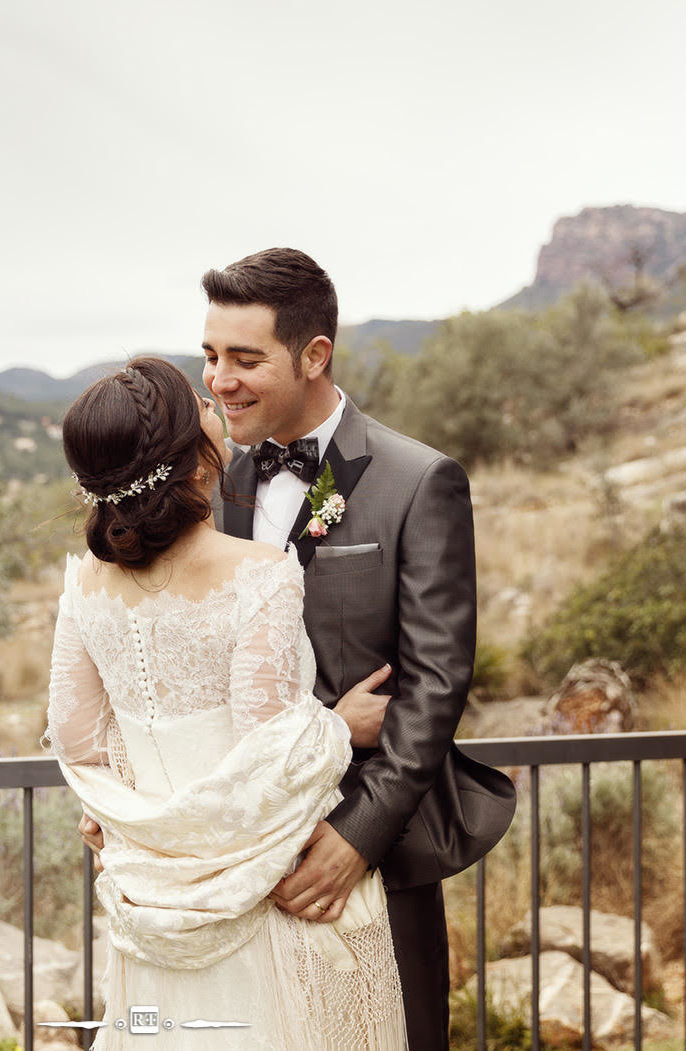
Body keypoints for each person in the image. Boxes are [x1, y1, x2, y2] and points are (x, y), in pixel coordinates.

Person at [81, 248, 517, 1050]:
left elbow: (433, 686)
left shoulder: (419, 482)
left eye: (246, 358)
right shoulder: (209, 485)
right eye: (210, 357)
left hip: (372, 854)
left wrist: (356, 838)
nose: (219, 379)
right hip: (232, 870)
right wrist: (129, 793)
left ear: (315, 355)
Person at [44, 356, 409, 1049]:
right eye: (201, 406)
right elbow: (269, 753)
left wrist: (129, 821)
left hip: (150, 901)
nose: (216, 401)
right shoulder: (260, 575)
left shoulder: (83, 587)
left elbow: (78, 744)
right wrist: (338, 725)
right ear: (190, 454)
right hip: (253, 905)